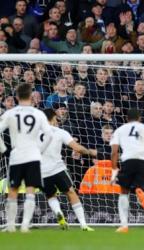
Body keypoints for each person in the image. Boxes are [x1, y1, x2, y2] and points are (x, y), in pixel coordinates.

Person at [0, 83, 52, 233]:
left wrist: (4, 150)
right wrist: (39, 150)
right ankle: (24, 226)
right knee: (30, 190)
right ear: (31, 96)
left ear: (16, 97)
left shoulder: (10, 113)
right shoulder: (39, 114)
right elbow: (49, 135)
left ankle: (10, 226)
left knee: (13, 190)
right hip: (33, 155)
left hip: (16, 155)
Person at [39, 109, 97, 231]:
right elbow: (77, 148)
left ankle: (58, 212)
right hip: (58, 169)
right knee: (71, 193)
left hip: (41, 171)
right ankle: (83, 225)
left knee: (50, 195)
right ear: (53, 118)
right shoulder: (60, 132)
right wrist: (90, 152)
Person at [110, 109, 144, 233]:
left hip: (128, 160)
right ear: (140, 118)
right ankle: (142, 192)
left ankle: (124, 225)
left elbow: (114, 151)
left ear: (126, 118)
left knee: (124, 191)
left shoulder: (120, 130)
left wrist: (114, 168)